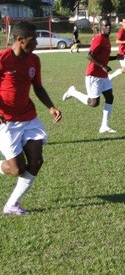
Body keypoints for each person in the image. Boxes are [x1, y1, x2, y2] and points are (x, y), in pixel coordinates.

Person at [0, 21, 62, 215]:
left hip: (28, 117)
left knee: (36, 161)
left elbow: (38, 87)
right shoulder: (3, 59)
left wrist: (51, 106)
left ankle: (12, 205)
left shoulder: (34, 60)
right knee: (17, 169)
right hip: (6, 121)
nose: (36, 43)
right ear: (19, 40)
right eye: (32, 40)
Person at [62, 18, 122, 134]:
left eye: (109, 25)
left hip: (103, 76)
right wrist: (103, 66)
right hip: (93, 75)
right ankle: (72, 92)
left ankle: (104, 126)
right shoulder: (99, 39)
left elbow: (103, 57)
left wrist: (116, 57)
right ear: (101, 27)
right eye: (106, 26)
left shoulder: (106, 39)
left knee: (110, 97)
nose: (108, 27)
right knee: (93, 103)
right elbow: (89, 55)